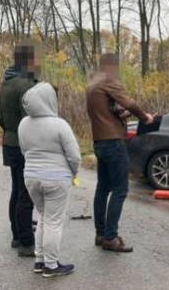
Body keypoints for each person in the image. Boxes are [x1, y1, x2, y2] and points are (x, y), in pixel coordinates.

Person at [86, 53, 153, 252]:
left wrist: (123, 114)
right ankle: (111, 237)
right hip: (114, 142)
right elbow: (129, 103)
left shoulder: (92, 84)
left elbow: (108, 111)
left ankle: (101, 233)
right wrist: (144, 117)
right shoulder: (108, 79)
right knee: (120, 189)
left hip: (99, 141)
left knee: (103, 187)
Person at [19, 83, 80, 278]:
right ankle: (51, 265)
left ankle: (40, 260)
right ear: (48, 100)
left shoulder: (23, 124)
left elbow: (24, 151)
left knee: (43, 217)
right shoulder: (59, 125)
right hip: (56, 179)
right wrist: (73, 173)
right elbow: (74, 156)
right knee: (54, 221)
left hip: (31, 177)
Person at [0, 43, 39, 257]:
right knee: (26, 194)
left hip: (9, 142)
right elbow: (31, 119)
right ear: (28, 61)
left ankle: (16, 235)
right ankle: (25, 242)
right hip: (24, 145)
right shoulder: (26, 84)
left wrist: (11, 133)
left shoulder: (6, 82)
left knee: (16, 190)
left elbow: (0, 118)